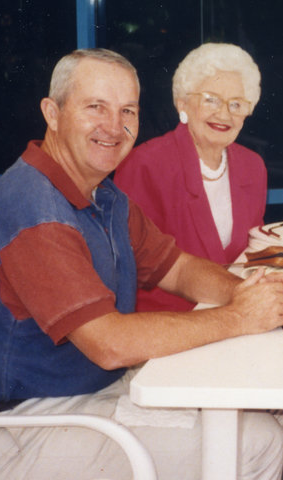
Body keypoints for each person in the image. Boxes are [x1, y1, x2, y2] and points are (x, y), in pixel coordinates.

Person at [0, 49, 283, 480]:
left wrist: (251, 289)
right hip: (16, 429)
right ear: (53, 114)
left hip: (80, 396)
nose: (113, 126)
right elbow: (110, 344)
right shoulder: (34, 209)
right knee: (253, 445)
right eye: (95, 106)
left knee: (243, 409)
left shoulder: (102, 195)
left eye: (127, 111)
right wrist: (239, 316)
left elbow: (176, 267)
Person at [114, 43, 266, 312]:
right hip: (170, 328)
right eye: (211, 99)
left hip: (236, 316)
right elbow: (132, 272)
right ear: (182, 102)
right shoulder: (145, 166)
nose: (224, 114)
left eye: (236, 104)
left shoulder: (252, 167)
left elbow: (253, 254)